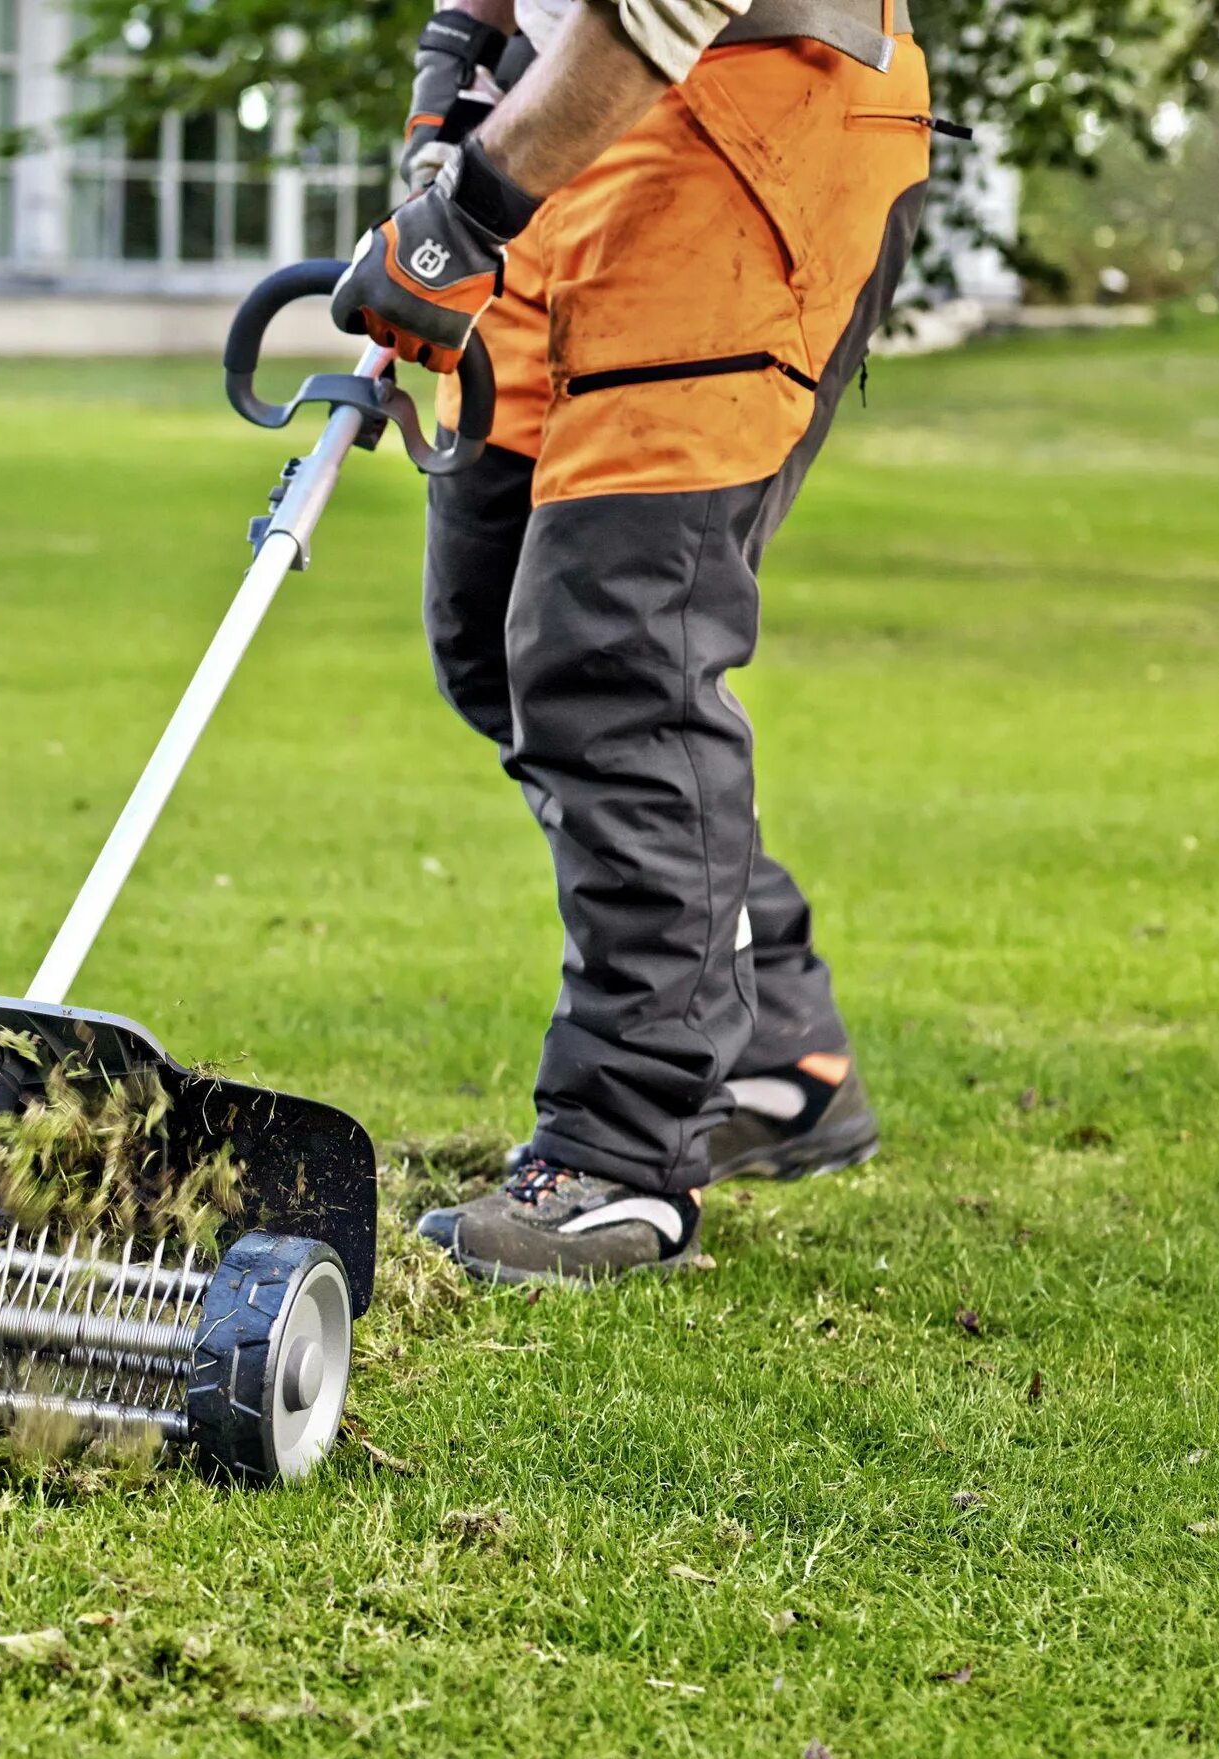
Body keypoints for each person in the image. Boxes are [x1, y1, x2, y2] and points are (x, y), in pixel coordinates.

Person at [327, 0, 932, 1285]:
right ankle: (782, 1056)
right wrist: (457, 70)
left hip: (751, 136)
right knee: (492, 638)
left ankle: (625, 1158)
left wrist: (469, 207)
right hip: (569, 132)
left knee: (617, 665)